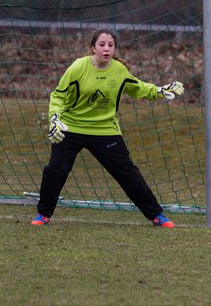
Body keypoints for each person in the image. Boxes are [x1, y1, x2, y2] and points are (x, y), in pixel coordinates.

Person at [31, 29, 184, 227]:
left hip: (105, 130)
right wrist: (54, 118)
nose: (106, 49)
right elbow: (58, 95)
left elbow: (138, 88)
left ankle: (156, 215)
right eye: (102, 44)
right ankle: (43, 214)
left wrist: (160, 91)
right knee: (55, 169)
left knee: (127, 172)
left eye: (110, 45)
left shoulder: (119, 70)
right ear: (92, 48)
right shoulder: (79, 67)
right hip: (71, 127)